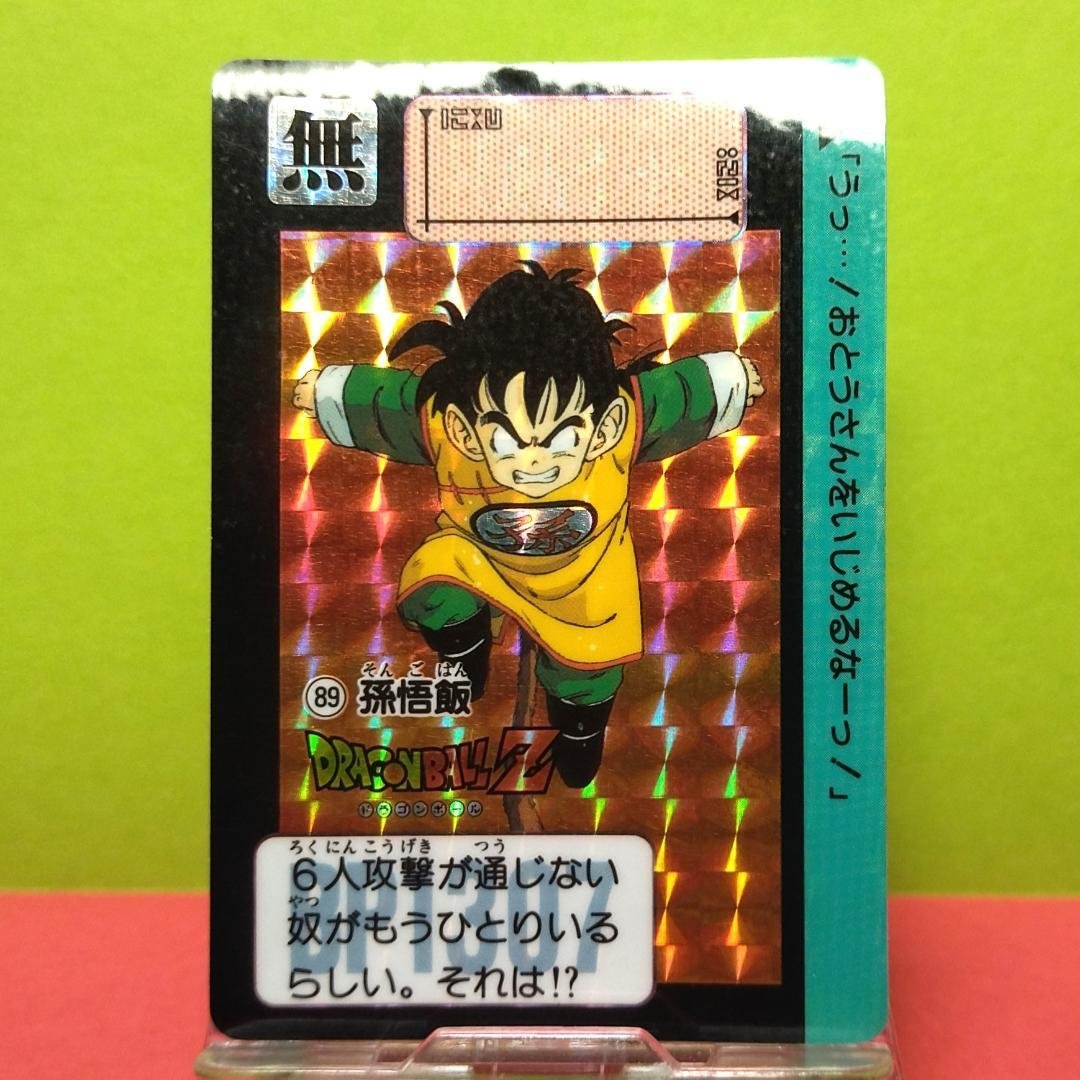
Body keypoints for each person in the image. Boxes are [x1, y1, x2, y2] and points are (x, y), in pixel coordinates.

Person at [293, 262, 764, 788]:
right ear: (465, 429)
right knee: (432, 580)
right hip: (478, 556)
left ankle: (580, 729)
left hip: (585, 579)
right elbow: (387, 405)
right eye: (505, 438)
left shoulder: (624, 415)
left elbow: (679, 394)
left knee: (586, 671)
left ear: (604, 427)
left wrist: (729, 381)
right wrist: (331, 392)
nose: (533, 461)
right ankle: (464, 648)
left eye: (560, 438)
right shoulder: (443, 418)